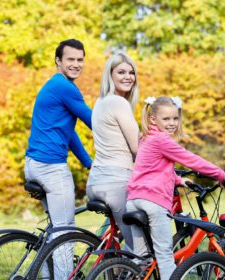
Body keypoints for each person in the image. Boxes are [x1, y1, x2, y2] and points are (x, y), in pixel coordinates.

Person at [126, 96, 225, 280]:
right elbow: (191, 160)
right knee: (164, 255)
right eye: (166, 119)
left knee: (142, 259)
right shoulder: (162, 140)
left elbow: (153, 168)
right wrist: (221, 175)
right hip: (153, 202)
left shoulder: (146, 138)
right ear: (153, 119)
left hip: (133, 201)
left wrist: (178, 180)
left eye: (175, 118)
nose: (172, 123)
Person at [24, 39, 92, 278]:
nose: (76, 64)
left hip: (33, 165)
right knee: (66, 233)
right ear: (58, 62)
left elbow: (69, 132)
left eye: (80, 59)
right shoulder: (66, 87)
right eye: (70, 59)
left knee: (55, 229)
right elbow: (92, 120)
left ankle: (45, 276)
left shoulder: (54, 86)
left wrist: (88, 163)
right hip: (51, 168)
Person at [87, 53, 140, 251]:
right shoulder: (119, 103)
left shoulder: (100, 102)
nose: (128, 76)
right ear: (110, 75)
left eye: (131, 72)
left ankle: (116, 268)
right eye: (121, 72)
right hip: (116, 182)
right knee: (142, 250)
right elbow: (137, 149)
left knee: (121, 239)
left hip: (97, 181)